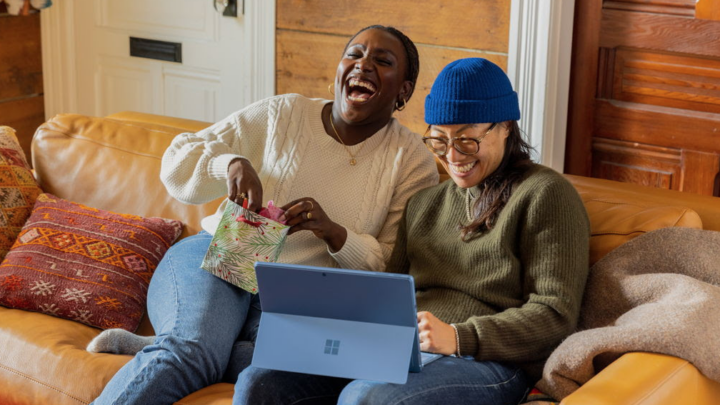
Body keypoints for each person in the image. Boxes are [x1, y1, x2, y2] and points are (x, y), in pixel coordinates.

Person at [88, 25, 439, 405]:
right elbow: (177, 159)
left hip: (301, 297)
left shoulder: (412, 161)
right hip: (223, 255)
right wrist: (231, 164)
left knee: (295, 365)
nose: (363, 65)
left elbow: (394, 266)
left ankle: (181, 341)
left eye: (382, 61)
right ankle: (186, 343)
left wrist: (336, 234)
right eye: (354, 54)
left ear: (403, 90)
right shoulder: (284, 114)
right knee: (189, 355)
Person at [234, 58, 591, 405]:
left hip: (487, 362)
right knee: (259, 381)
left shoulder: (545, 194)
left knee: (367, 397)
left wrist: (458, 337)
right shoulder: (423, 204)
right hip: (400, 351)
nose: (452, 156)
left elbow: (555, 314)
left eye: (466, 140)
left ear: (506, 127)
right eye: (439, 141)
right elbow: (386, 297)